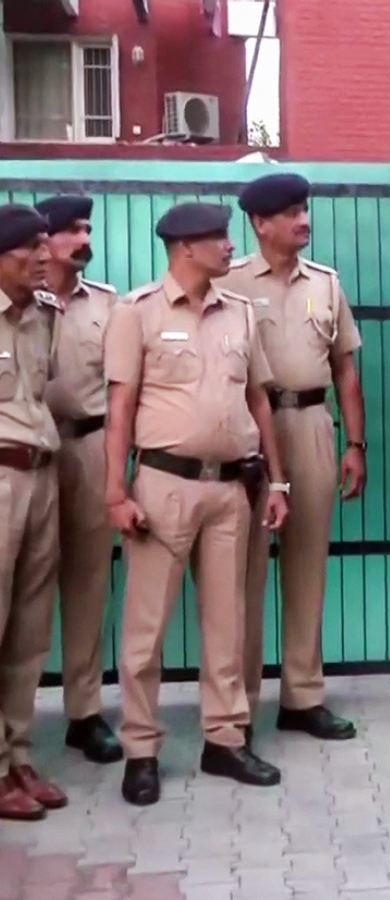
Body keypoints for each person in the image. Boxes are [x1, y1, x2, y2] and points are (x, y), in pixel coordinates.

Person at [103, 201, 290, 806]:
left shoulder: (239, 312)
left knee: (226, 623)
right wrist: (115, 491)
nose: (231, 247)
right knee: (146, 627)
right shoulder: (136, 312)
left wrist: (279, 482)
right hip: (163, 487)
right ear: (186, 247)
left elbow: (258, 401)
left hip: (232, 489)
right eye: (219, 238)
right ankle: (141, 749)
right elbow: (119, 409)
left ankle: (225, 739)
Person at [217, 172, 365, 743]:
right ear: (260, 222)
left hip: (310, 424)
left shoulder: (325, 284)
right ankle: (239, 705)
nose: (304, 221)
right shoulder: (228, 281)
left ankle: (303, 696)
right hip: (249, 434)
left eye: (305, 210)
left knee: (307, 568)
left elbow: (345, 369)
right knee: (244, 575)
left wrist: (354, 444)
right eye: (291, 213)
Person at [37, 194, 124, 765]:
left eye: (87, 228)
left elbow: (122, 386)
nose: (84, 238)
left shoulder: (107, 305)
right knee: (25, 586)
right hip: (31, 455)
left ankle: (84, 714)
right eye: (71, 230)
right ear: (42, 241)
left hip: (91, 447)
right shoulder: (16, 300)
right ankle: (14, 720)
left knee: (90, 583)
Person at [0, 204, 67, 821]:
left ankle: (17, 754)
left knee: (28, 627)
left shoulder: (46, 315)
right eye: (32, 247)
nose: (45, 256)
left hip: (42, 475)